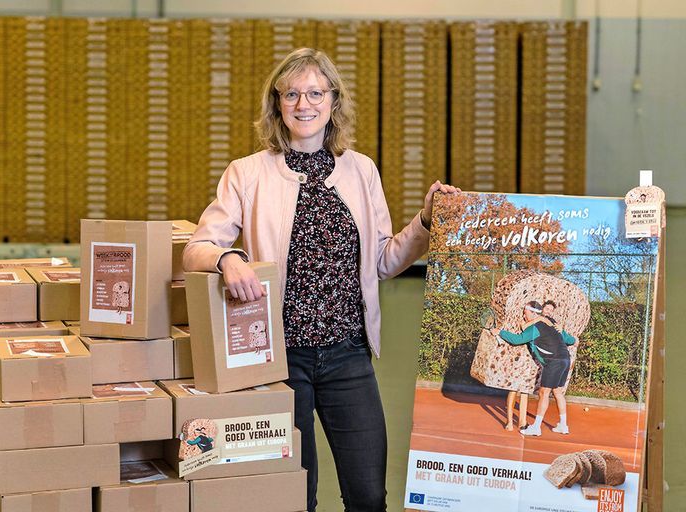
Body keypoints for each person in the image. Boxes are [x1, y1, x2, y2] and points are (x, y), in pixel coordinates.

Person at [183, 47, 459, 512]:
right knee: (296, 497)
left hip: (348, 356)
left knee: (369, 494)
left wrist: (426, 221)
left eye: (315, 92)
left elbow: (385, 261)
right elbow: (196, 248)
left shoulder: (361, 170)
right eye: (291, 93)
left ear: (333, 101)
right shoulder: (246, 174)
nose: (303, 103)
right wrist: (227, 258)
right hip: (277, 362)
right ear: (277, 103)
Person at [493, 301, 575, 436]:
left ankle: (536, 427)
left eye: (525, 313)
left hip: (553, 361)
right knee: (558, 392)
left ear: (532, 313)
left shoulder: (535, 327)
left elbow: (517, 339)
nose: (524, 316)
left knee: (544, 393)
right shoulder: (549, 325)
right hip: (565, 359)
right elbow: (567, 339)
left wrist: (500, 332)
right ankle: (563, 425)